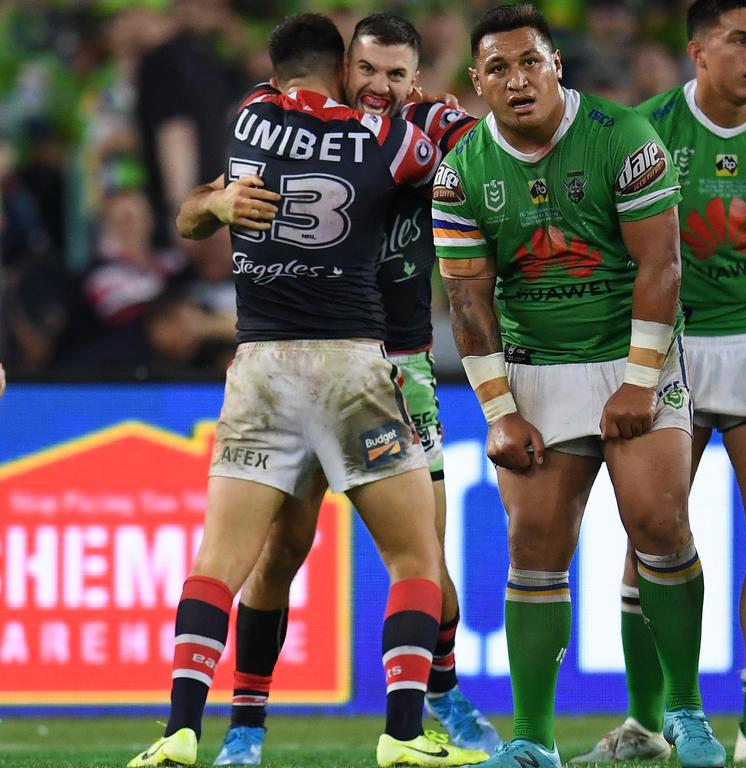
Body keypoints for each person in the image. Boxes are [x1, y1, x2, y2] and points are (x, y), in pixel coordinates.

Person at [128, 14, 488, 768]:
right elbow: (485, 158)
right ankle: (389, 731)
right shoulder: (394, 139)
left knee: (221, 559)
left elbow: (194, 210)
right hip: (357, 365)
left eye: (396, 76)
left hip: (272, 363)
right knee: (406, 558)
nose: (380, 87)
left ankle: (181, 730)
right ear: (343, 66)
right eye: (368, 72)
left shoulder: (253, 116)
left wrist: (220, 203)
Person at [434, 5, 726, 768]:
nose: (517, 79)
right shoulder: (461, 170)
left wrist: (636, 381)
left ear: (557, 63)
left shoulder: (623, 138)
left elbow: (662, 266)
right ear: (477, 84)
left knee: (659, 525)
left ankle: (685, 715)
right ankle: (533, 739)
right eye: (498, 68)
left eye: (529, 61)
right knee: (533, 546)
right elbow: (467, 298)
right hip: (533, 366)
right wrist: (498, 411)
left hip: (632, 351)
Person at [574, 2, 746, 763]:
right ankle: (649, 725)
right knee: (651, 533)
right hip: (671, 349)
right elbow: (618, 259)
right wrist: (634, 366)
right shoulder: (644, 131)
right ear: (697, 50)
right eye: (740, 40)